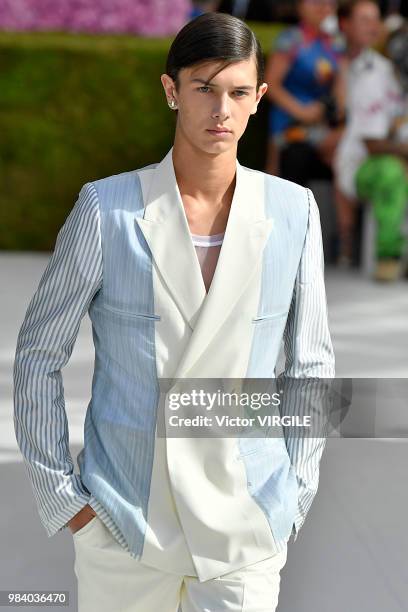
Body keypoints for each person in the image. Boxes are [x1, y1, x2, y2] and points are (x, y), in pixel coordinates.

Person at [13, 13, 335, 612]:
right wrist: (66, 500)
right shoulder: (107, 210)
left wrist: (293, 497)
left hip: (244, 533)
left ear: (260, 98)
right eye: (204, 88)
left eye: (239, 91)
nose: (222, 108)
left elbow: (310, 367)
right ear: (171, 91)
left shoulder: (295, 213)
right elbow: (37, 355)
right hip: (126, 525)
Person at [334, 0, 408, 280]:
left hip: (398, 158)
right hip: (360, 166)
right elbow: (373, 144)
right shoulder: (373, 76)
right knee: (391, 172)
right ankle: (387, 257)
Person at [264, 0, 346, 184]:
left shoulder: (335, 42)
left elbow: (340, 85)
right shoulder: (290, 38)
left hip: (323, 123)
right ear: (300, 5)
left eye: (329, 3)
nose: (323, 6)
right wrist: (302, 111)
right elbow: (271, 83)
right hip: (289, 121)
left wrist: (337, 113)